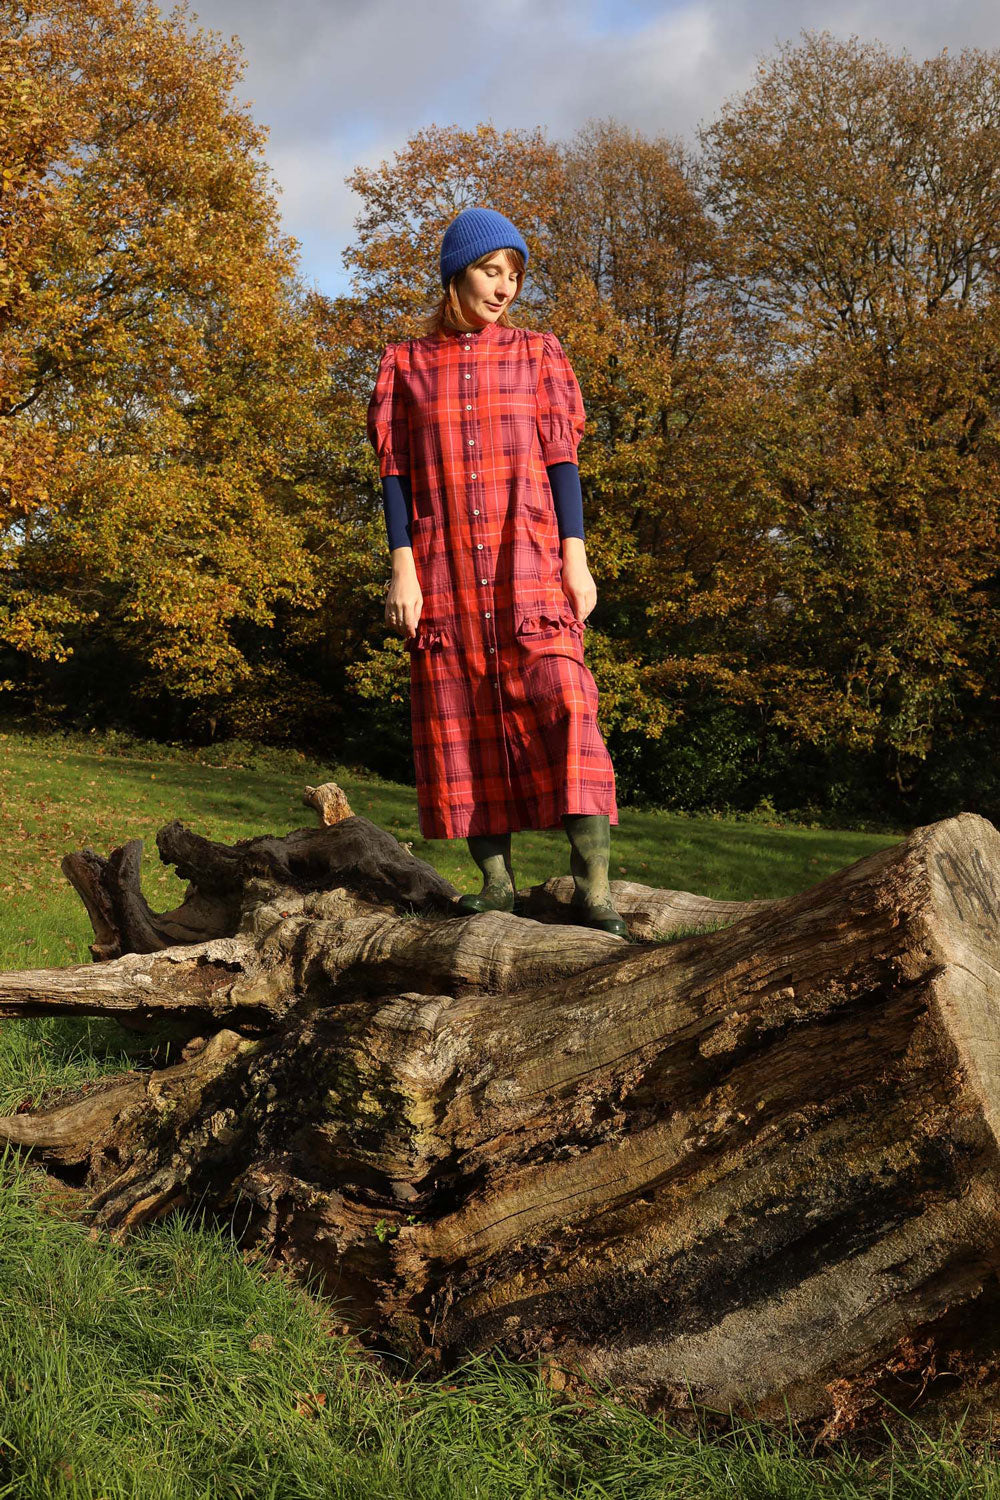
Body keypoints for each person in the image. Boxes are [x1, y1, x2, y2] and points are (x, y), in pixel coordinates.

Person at [366, 206, 627, 937]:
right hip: (444, 567)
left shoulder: (539, 355)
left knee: (569, 699)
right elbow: (393, 477)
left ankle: (595, 891)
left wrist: (577, 558)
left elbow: (563, 461)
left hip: (530, 563)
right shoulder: (405, 366)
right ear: (458, 273)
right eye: (491, 270)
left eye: (514, 274)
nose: (504, 286)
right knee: (462, 713)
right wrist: (402, 570)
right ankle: (496, 886)